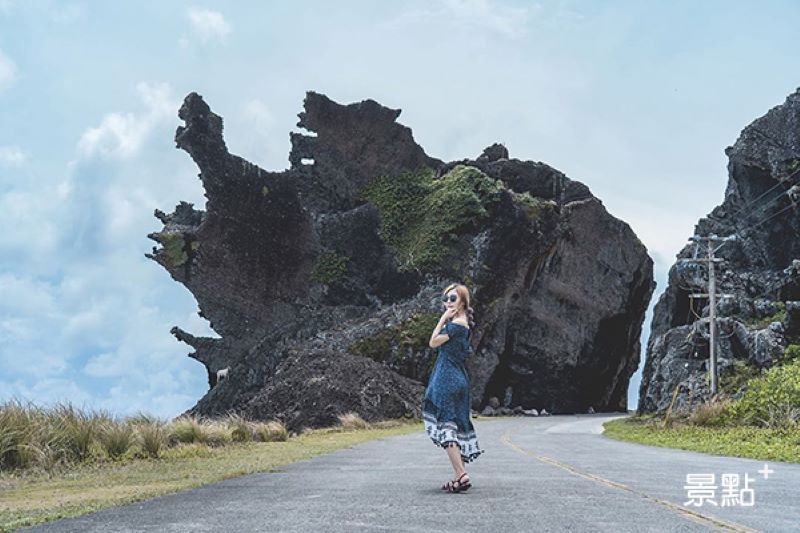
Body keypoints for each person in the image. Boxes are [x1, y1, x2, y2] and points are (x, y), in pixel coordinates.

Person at [422, 283, 484, 493]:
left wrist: (442, 319)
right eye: (446, 299)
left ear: (463, 302)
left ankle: (461, 474)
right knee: (455, 424)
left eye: (452, 298)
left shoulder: (455, 325)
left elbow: (432, 342)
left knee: (446, 425)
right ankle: (459, 475)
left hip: (447, 379)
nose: (447, 302)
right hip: (460, 380)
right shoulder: (465, 324)